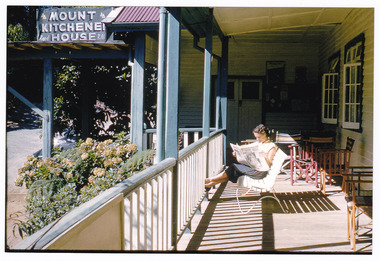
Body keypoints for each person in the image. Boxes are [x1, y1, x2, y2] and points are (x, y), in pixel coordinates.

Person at [205, 124, 277, 189]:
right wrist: (238, 152)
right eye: (256, 137)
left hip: (261, 172)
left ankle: (210, 180)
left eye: (259, 137)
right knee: (233, 172)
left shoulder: (271, 146)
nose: (257, 139)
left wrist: (264, 156)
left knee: (233, 167)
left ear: (265, 134)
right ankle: (210, 183)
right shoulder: (260, 143)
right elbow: (245, 147)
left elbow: (270, 163)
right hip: (254, 168)